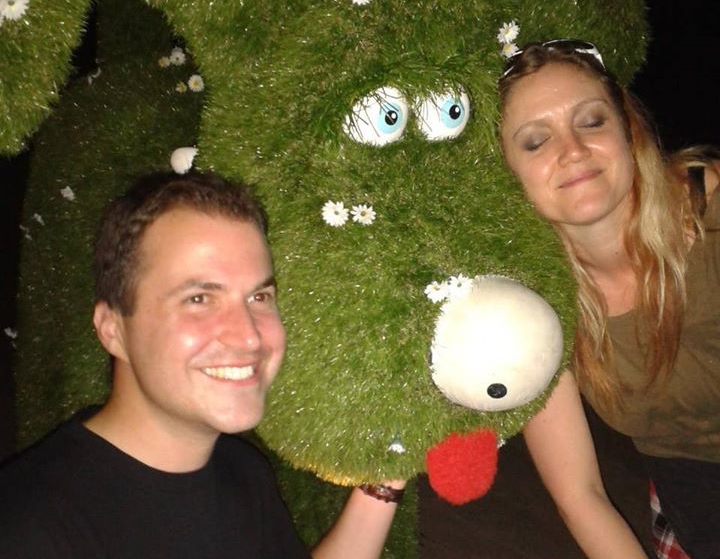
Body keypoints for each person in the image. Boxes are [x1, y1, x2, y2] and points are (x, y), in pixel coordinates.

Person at [0, 171, 404, 558]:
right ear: (113, 330)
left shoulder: (241, 471)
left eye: (259, 297)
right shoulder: (30, 531)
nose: (248, 337)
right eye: (199, 299)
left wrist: (388, 475)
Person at [498, 40, 720, 559]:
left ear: (627, 131)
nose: (573, 150)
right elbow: (581, 496)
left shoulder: (710, 205)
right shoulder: (534, 309)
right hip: (692, 488)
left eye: (591, 121)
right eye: (536, 141)